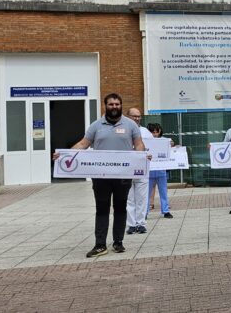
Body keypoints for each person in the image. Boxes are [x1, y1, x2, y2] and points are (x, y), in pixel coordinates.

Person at [52, 93, 147, 257]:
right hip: (101, 176)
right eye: (111, 104)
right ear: (105, 106)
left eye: (117, 104)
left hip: (122, 175)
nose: (115, 107)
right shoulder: (96, 125)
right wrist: (64, 155)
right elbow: (83, 144)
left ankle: (118, 242)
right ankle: (100, 245)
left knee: (120, 208)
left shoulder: (131, 125)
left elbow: (139, 145)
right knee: (102, 209)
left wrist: (142, 157)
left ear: (121, 105)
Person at [125, 107, 152, 235]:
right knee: (129, 199)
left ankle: (141, 223)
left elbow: (154, 148)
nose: (137, 118)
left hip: (142, 170)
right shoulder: (122, 131)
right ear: (127, 116)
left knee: (141, 198)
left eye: (138, 116)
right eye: (134, 116)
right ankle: (131, 225)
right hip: (127, 170)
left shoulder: (146, 132)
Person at [146, 123, 173, 219]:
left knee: (163, 192)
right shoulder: (145, 141)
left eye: (157, 132)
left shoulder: (164, 141)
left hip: (161, 171)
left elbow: (172, 148)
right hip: (149, 171)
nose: (155, 134)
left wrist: (172, 145)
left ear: (160, 131)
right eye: (153, 132)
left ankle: (165, 211)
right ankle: (144, 212)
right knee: (146, 193)